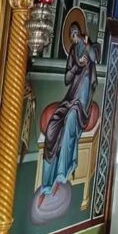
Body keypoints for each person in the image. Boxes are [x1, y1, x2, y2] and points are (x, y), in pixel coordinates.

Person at [38, 21, 99, 202]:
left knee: (71, 118)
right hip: (71, 97)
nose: (74, 36)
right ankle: (47, 182)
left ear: (80, 32)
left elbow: (95, 56)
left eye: (75, 32)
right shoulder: (72, 52)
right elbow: (67, 79)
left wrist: (86, 45)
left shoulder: (91, 45)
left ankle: (62, 173)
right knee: (53, 126)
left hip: (82, 101)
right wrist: (76, 66)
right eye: (71, 34)